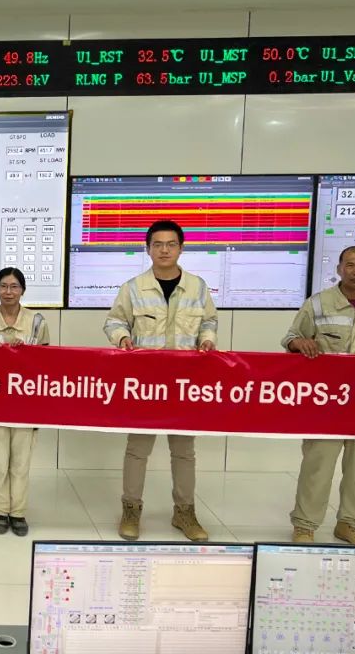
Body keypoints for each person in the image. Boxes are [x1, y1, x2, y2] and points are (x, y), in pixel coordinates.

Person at [103, 220, 217, 542]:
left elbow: (209, 321)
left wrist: (207, 339)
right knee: (137, 449)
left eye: (171, 244)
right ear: (148, 248)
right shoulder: (133, 287)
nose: (164, 250)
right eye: (157, 244)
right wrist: (122, 338)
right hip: (146, 383)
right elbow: (113, 321)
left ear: (181, 248)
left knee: (184, 451)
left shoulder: (197, 287)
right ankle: (131, 510)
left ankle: (185, 512)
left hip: (184, 383)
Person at [283, 245, 355, 545]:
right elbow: (291, 337)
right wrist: (299, 344)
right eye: (350, 265)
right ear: (339, 269)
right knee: (318, 465)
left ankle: (351, 524)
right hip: (327, 403)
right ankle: (305, 525)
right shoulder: (318, 303)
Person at [0, 267, 49, 537]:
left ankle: (18, 513)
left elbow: (48, 362)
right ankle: (0, 510)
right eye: (3, 286)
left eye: (14, 286)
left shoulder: (37, 322)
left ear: (22, 290)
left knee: (21, 461)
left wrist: (27, 354)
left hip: (26, 403)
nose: (8, 292)